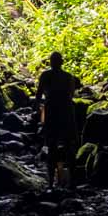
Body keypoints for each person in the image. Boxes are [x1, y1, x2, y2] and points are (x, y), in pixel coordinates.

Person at [35, 51, 80, 188]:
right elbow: (71, 95)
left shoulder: (45, 75)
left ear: (50, 62)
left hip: (52, 113)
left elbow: (38, 96)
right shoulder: (68, 77)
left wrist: (40, 112)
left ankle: (50, 182)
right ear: (62, 62)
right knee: (68, 147)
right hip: (66, 113)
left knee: (52, 147)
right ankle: (72, 181)